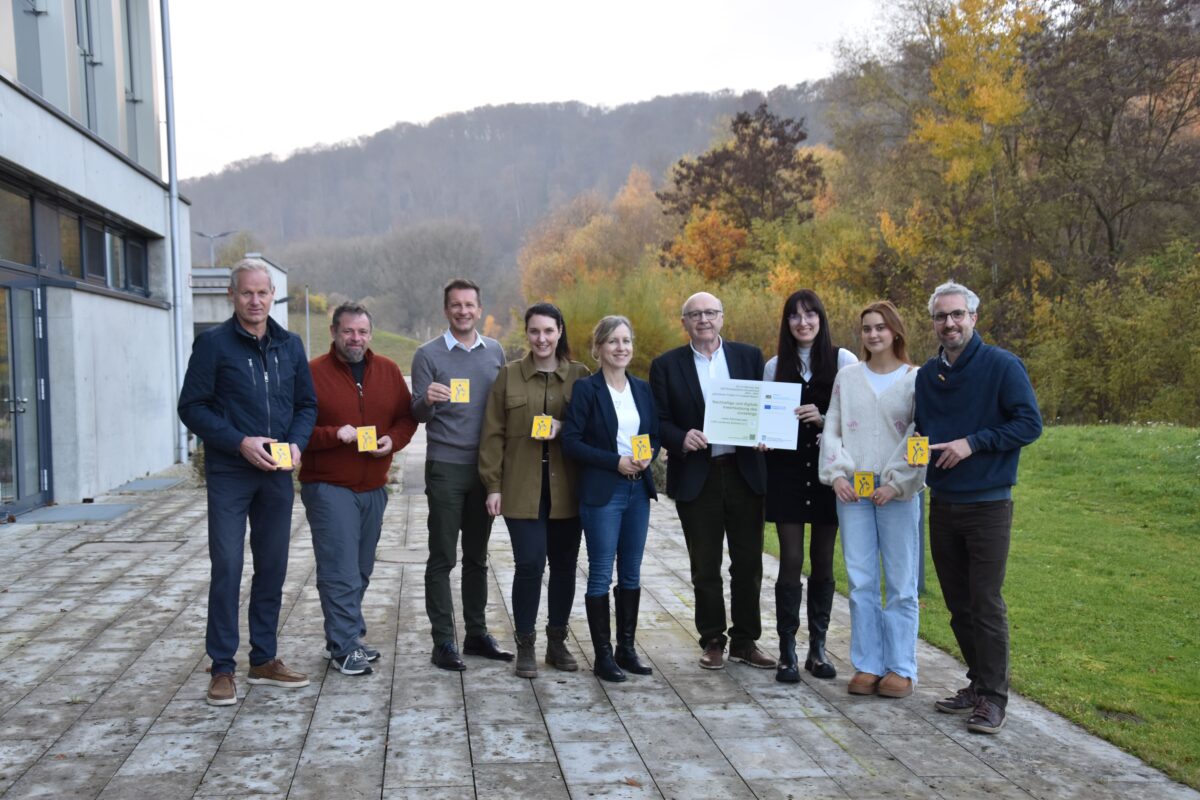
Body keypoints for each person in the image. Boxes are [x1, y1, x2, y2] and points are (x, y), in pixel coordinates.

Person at [178, 257, 317, 706]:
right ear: (232, 295)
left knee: (273, 566)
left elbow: (306, 405)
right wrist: (238, 442)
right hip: (230, 473)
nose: (255, 301)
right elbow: (191, 407)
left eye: (262, 293)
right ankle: (222, 666)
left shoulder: (290, 345)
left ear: (273, 295)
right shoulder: (213, 344)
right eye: (246, 293)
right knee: (227, 565)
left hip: (277, 473)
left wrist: (297, 443)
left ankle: (263, 659)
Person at [915, 281, 1042, 734]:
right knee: (958, 604)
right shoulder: (927, 376)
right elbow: (923, 430)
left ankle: (993, 698)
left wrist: (973, 443)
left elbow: (1029, 424)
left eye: (957, 315)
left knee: (985, 603)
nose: (949, 323)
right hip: (943, 502)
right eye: (941, 316)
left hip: (988, 504)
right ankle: (977, 682)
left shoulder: (1002, 365)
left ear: (973, 317)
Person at [649, 292, 776, 671]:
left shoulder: (749, 357)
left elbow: (766, 406)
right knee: (705, 565)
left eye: (710, 313)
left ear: (722, 317)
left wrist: (766, 433)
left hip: (744, 472)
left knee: (748, 564)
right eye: (695, 314)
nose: (703, 319)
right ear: (684, 322)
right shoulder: (666, 365)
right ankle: (713, 639)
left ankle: (745, 641)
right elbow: (657, 420)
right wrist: (679, 437)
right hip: (697, 475)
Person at [300, 302, 417, 676]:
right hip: (328, 485)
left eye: (362, 332)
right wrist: (334, 434)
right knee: (340, 570)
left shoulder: (387, 370)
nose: (356, 338)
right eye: (348, 331)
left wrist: (393, 441)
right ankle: (345, 646)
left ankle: (344, 636)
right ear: (333, 332)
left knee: (361, 568)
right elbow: (295, 430)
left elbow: (406, 417)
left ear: (371, 335)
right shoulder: (312, 373)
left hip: (374, 487)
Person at [820, 300, 925, 698]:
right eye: (867, 328)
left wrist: (898, 483)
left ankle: (900, 668)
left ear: (895, 331)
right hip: (854, 489)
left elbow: (920, 435)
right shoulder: (848, 378)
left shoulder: (916, 379)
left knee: (900, 581)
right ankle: (868, 664)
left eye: (881, 327)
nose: (873, 334)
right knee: (861, 579)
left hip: (898, 491)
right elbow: (832, 427)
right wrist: (837, 475)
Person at [479, 303, 589, 679]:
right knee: (529, 565)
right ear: (526, 334)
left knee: (564, 567)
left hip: (568, 490)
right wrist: (493, 485)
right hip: (520, 488)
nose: (542, 338)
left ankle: (557, 643)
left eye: (549, 331)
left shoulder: (580, 376)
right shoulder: (508, 376)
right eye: (534, 331)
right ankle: (525, 645)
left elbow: (596, 428)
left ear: (560, 332)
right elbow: (492, 435)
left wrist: (565, 428)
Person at [411, 278, 511, 670]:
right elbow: (417, 413)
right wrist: (426, 400)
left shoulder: (495, 351)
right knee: (442, 556)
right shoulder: (427, 354)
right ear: (446, 310)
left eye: (470, 305)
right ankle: (442, 641)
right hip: (446, 466)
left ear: (480, 309)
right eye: (456, 305)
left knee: (477, 556)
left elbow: (503, 408)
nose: (463, 311)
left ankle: (476, 634)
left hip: (484, 468)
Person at [763, 290, 858, 683]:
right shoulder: (774, 366)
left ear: (821, 318)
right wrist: (763, 437)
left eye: (810, 314)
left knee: (822, 559)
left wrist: (824, 420)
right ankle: (786, 650)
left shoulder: (844, 360)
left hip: (825, 474)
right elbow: (765, 417)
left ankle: (817, 649)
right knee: (790, 559)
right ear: (786, 323)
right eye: (794, 316)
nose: (803, 322)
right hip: (786, 473)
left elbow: (855, 419)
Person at [562, 316, 659, 682]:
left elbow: (653, 434)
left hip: (638, 490)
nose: (621, 347)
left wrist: (647, 455)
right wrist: (614, 461)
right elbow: (571, 441)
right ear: (599, 348)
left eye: (626, 340)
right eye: (613, 341)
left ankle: (626, 649)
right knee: (601, 572)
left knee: (631, 571)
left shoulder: (642, 389)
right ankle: (603, 655)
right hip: (604, 491)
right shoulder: (587, 389)